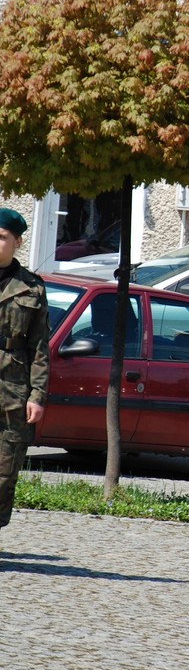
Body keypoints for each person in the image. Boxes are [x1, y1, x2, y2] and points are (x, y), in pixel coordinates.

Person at [0, 209, 49, 534]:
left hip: (13, 392)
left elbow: (40, 347)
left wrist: (37, 395)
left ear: (17, 242)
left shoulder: (31, 288)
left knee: (5, 471)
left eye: (2, 237)